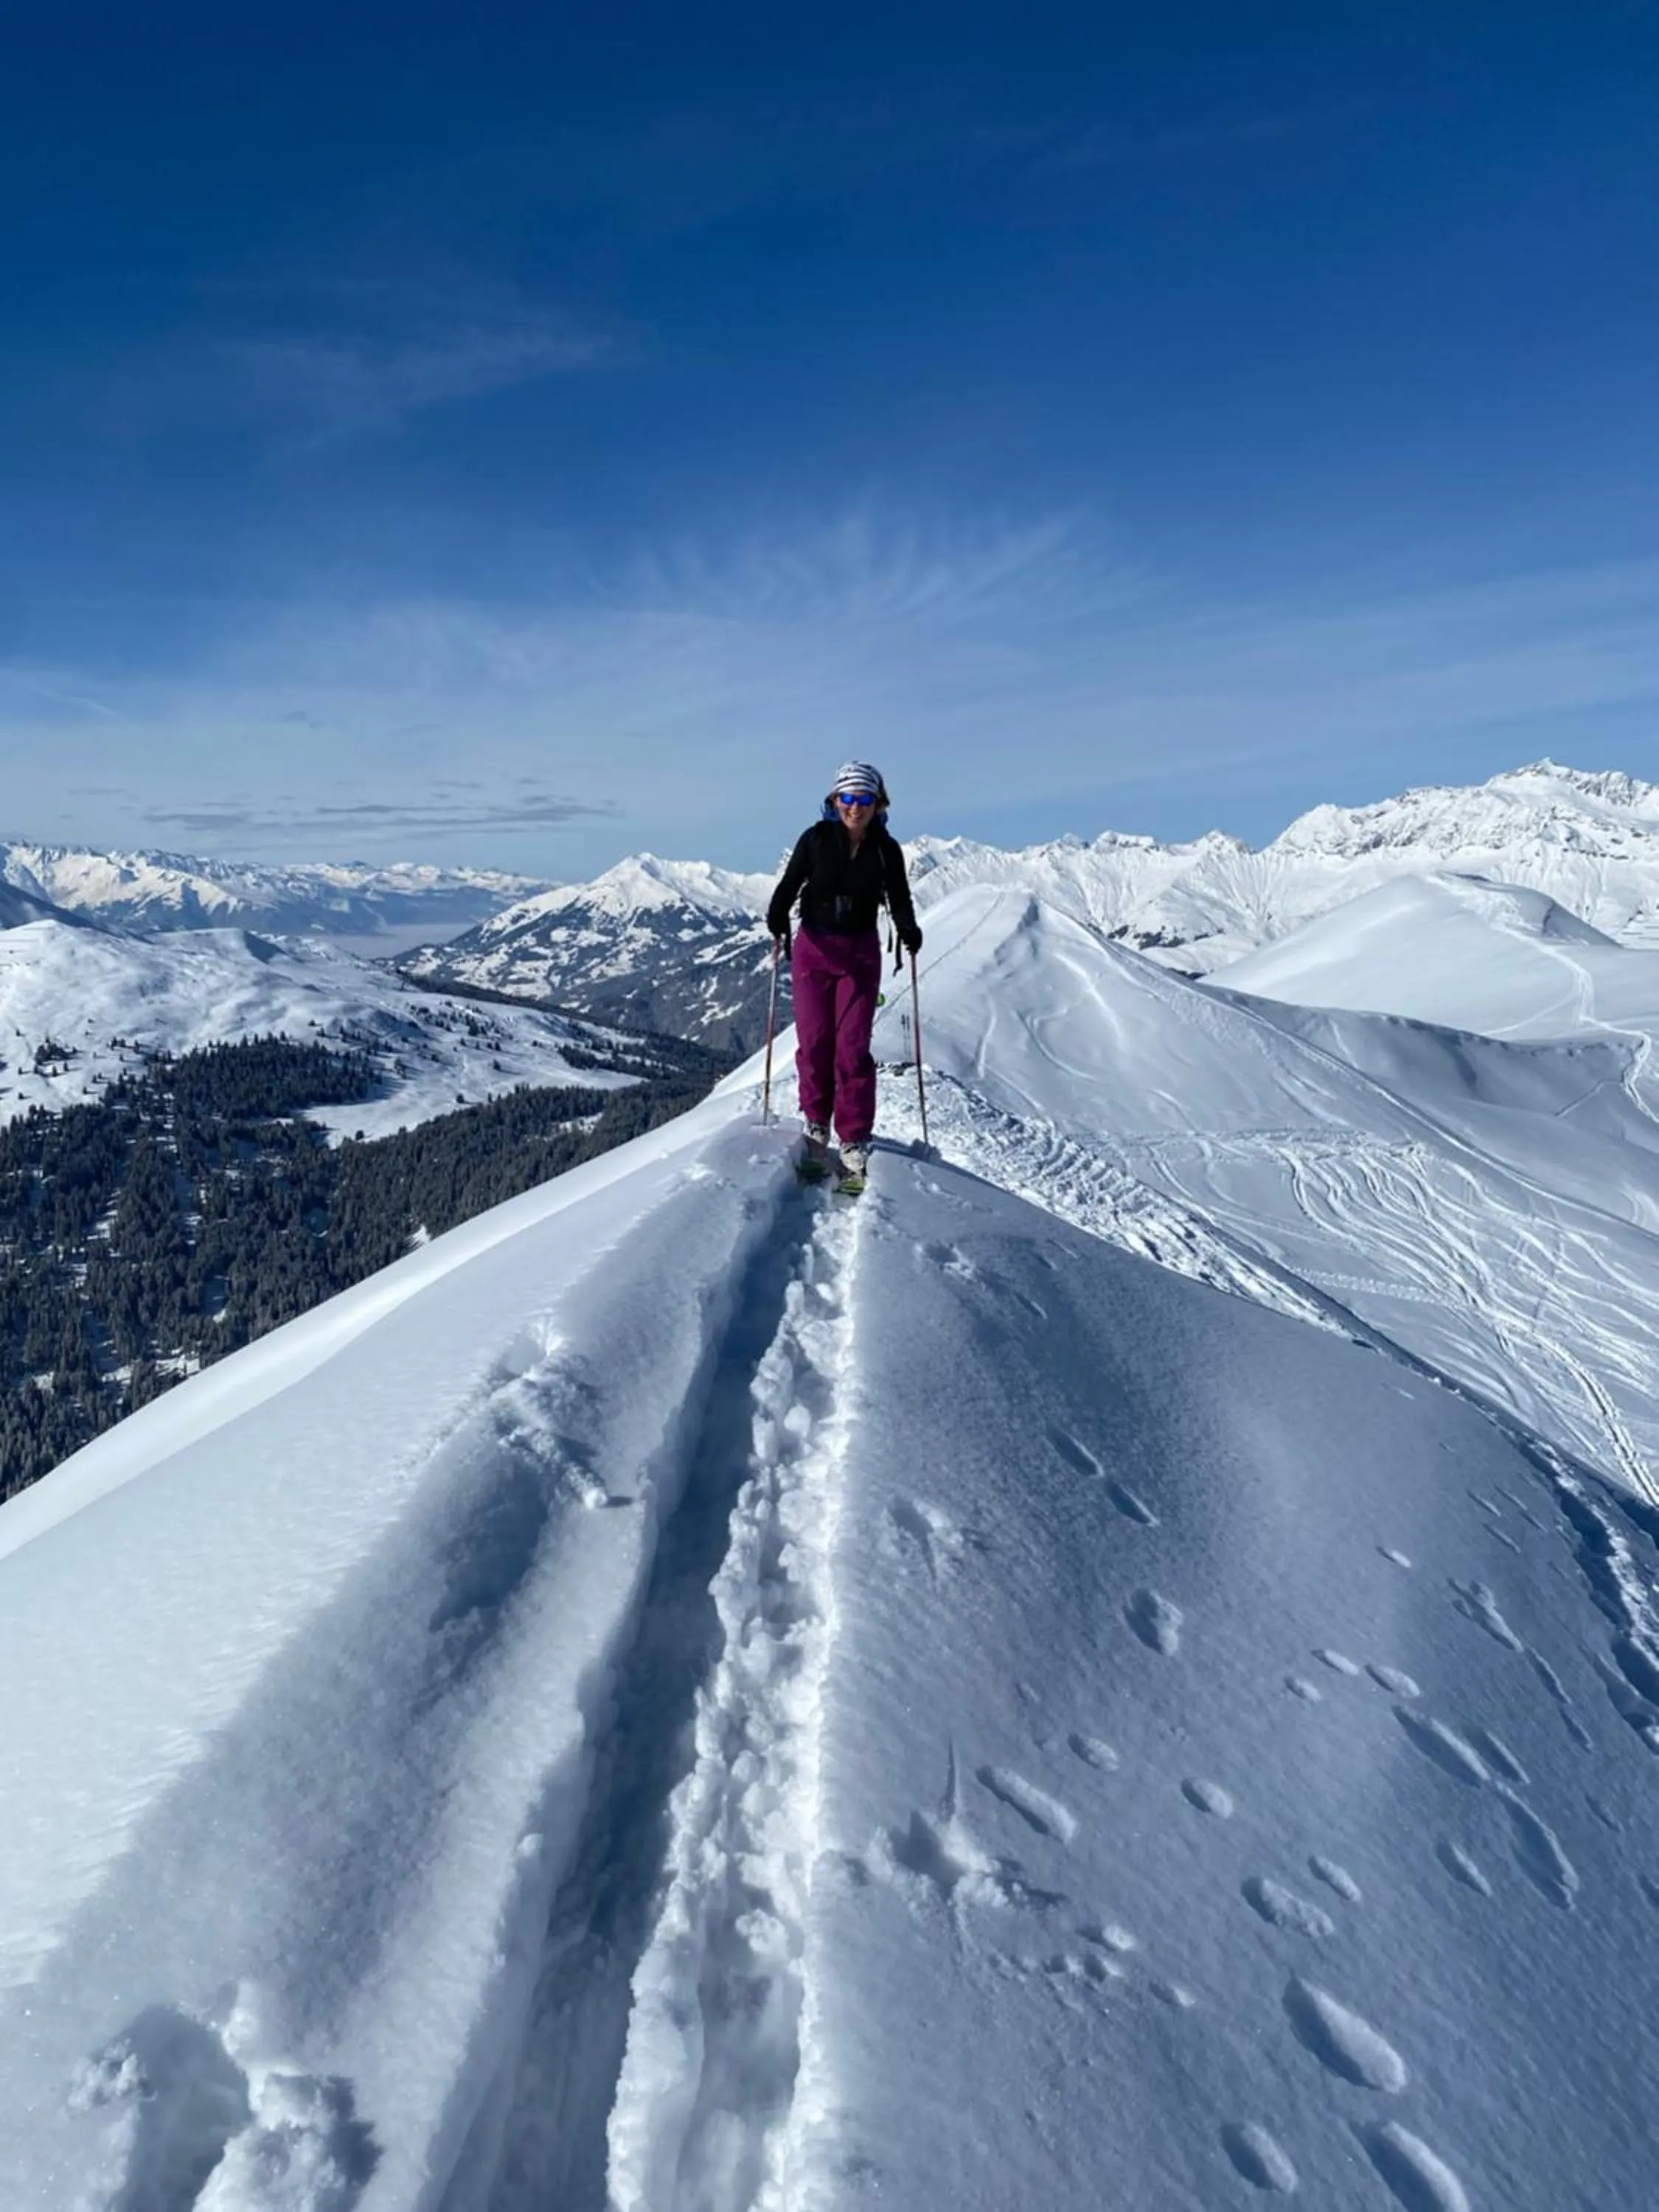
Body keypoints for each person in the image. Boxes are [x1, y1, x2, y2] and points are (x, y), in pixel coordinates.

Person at [766, 759, 923, 1180]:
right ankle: (817, 1125)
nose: (855, 807)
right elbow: (790, 883)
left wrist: (908, 928)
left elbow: (899, 897)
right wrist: (777, 913)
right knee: (814, 1041)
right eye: (848, 798)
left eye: (864, 798)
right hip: (813, 950)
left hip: (859, 954)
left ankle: (853, 1136)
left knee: (852, 1048)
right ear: (834, 801)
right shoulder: (816, 840)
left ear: (879, 803)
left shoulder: (886, 850)